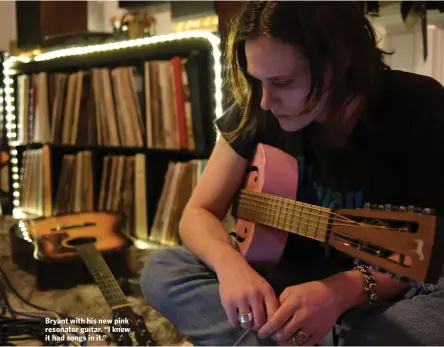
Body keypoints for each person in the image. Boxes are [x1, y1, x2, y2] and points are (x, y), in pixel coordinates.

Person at [141, 2, 444, 346]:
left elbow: (427, 254)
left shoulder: (420, 105)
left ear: (340, 61)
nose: (266, 101)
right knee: (163, 269)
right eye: (257, 81)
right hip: (278, 287)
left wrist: (342, 292)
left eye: (283, 82)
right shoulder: (258, 106)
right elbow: (197, 213)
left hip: (378, 294)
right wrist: (231, 268)